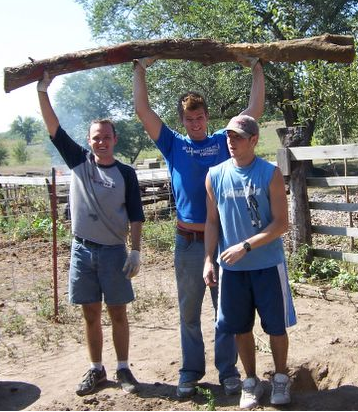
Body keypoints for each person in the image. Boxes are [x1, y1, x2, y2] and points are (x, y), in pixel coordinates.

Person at [133, 56, 265, 397]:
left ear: (208, 117)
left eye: (200, 117)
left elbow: (254, 110)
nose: (195, 123)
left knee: (226, 310)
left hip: (222, 239)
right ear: (183, 120)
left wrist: (256, 68)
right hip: (186, 242)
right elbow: (143, 111)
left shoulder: (223, 141)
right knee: (188, 312)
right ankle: (190, 371)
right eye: (189, 119)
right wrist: (140, 69)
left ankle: (228, 372)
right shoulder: (174, 144)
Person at [37, 71, 145, 396]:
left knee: (118, 313)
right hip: (82, 251)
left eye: (106, 137)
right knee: (90, 314)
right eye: (96, 137)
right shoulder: (79, 163)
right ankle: (96, 369)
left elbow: (137, 217)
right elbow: (53, 128)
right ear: (89, 141)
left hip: (114, 251)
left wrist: (135, 251)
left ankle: (123, 369)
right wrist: (42, 89)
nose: (101, 142)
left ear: (115, 139)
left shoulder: (126, 173)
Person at [203, 114, 297, 409]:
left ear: (254, 140)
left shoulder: (269, 174)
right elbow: (211, 222)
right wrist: (208, 260)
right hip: (232, 270)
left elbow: (282, 224)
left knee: (276, 328)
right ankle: (251, 381)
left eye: (238, 137)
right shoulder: (215, 175)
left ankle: (281, 378)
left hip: (268, 266)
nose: (231, 142)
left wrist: (245, 245)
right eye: (229, 136)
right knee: (240, 328)